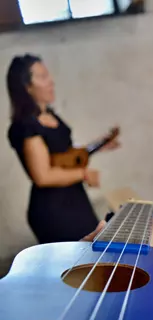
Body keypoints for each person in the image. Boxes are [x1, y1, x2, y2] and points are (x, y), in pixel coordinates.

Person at [6, 54, 120, 244]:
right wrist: (83, 174)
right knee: (80, 260)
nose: (51, 81)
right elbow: (43, 176)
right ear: (26, 86)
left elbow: (61, 156)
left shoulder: (49, 115)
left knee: (91, 252)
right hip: (54, 210)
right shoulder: (26, 127)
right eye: (42, 77)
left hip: (73, 198)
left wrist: (96, 146)